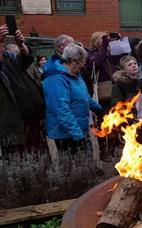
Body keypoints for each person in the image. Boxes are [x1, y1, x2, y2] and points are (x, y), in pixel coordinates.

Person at [43, 43, 102, 154]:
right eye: (82, 62)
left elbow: (85, 97)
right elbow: (61, 108)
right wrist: (77, 134)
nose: (83, 65)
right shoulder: (56, 79)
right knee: (73, 166)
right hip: (66, 134)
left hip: (79, 129)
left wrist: (99, 110)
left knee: (86, 164)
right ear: (74, 61)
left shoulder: (75, 75)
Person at [0, 24, 45, 159]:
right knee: (20, 153)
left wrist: (21, 45)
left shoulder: (10, 56)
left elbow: (25, 59)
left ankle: (40, 171)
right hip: (15, 118)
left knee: (37, 149)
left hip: (33, 111)